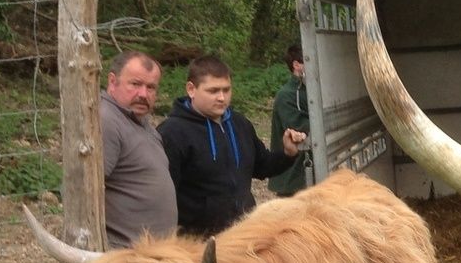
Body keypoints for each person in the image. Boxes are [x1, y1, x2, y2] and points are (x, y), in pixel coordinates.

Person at [159, 55, 307, 238]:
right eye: (213, 91)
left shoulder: (239, 124)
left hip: (244, 233)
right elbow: (163, 197)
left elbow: (263, 167)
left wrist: (287, 153)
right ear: (191, 89)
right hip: (197, 243)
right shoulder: (172, 133)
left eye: (226, 90)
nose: (221, 98)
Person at [99, 49, 177, 248]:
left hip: (153, 254)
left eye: (151, 87)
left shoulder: (140, 122)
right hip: (124, 257)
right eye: (135, 84)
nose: (143, 94)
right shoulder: (106, 120)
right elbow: (86, 190)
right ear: (112, 81)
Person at [268, 42, 311, 197]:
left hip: (307, 179)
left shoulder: (309, 90)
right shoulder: (287, 95)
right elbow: (298, 127)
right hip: (291, 180)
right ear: (296, 65)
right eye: (310, 61)